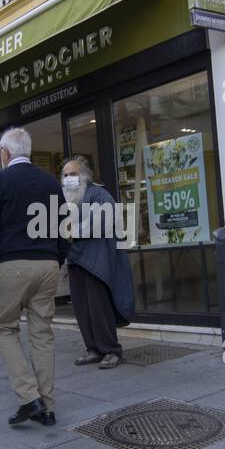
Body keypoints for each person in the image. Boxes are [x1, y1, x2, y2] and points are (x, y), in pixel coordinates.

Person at [0, 127, 65, 427]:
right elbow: (65, 227)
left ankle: (29, 398)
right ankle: (47, 408)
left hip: (13, 265)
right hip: (48, 266)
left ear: (5, 153)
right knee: (42, 334)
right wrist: (56, 259)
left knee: (3, 328)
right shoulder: (51, 182)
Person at [62, 157, 135, 368]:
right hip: (76, 260)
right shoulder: (66, 199)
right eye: (65, 175)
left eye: (73, 174)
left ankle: (111, 350)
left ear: (84, 176)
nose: (68, 179)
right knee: (82, 309)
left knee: (98, 308)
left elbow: (104, 221)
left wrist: (71, 231)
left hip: (97, 261)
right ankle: (92, 348)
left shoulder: (100, 194)